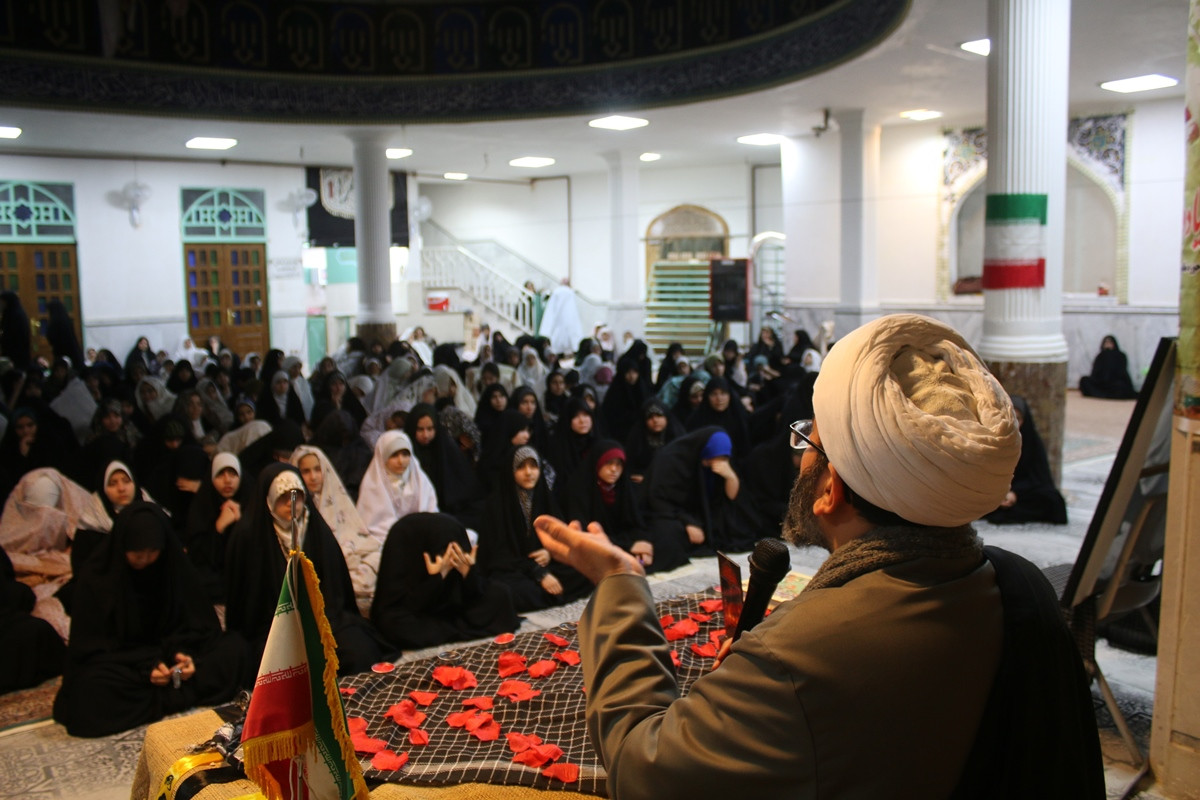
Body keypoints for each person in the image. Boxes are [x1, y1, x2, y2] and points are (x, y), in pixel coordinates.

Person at [533, 313, 1104, 798]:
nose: (799, 453)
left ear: (831, 489)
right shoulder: (1016, 580)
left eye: (810, 439)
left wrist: (619, 580)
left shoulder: (801, 657)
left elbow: (644, 769)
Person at [53, 501, 248, 737]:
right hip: (128, 666)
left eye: (152, 552)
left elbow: (200, 627)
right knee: (89, 690)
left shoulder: (172, 568)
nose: (145, 559)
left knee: (235, 648)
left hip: (174, 662)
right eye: (137, 554)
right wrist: (146, 668)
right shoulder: (98, 579)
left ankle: (167, 691)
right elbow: (90, 649)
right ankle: (175, 692)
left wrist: (185, 656)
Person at [224, 463, 390, 675]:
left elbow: (334, 588)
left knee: (358, 651)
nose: (291, 504)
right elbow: (244, 602)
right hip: (272, 627)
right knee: (280, 671)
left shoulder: (315, 529)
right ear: (268, 499)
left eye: (297, 496)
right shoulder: (248, 535)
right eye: (283, 497)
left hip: (321, 618)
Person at [370, 512, 517, 651]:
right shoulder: (406, 541)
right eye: (443, 550)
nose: (449, 555)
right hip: (419, 614)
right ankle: (462, 627)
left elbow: (474, 593)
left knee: (501, 594)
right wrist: (437, 577)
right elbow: (408, 606)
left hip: (450, 612)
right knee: (394, 625)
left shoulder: (455, 547)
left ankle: (449, 628)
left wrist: (467, 573)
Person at [479, 446, 589, 611]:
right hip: (513, 569)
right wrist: (539, 573)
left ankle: (546, 594)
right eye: (521, 467)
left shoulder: (545, 497)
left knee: (584, 571)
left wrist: (550, 552)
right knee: (506, 591)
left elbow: (562, 538)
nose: (528, 473)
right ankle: (548, 594)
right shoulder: (496, 504)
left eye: (533, 466)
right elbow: (498, 556)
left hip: (546, 564)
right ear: (511, 471)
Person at [290, 444, 376, 615]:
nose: (313, 477)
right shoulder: (292, 506)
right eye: (306, 471)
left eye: (318, 469)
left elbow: (355, 533)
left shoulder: (335, 497)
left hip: (347, 556)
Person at [985, 395, 1068, 525]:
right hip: (994, 492)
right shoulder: (992, 439)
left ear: (1024, 420)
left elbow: (1039, 478)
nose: (1014, 423)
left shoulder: (1032, 442)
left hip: (1021, 492)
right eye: (1011, 418)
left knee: (1052, 500)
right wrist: (1000, 494)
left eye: (1018, 419)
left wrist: (1015, 493)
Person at [183, 453, 247, 602]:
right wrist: (218, 527)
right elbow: (197, 557)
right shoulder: (201, 507)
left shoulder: (251, 503)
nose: (227, 480)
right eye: (220, 474)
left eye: (233, 474)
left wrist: (242, 523)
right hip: (213, 587)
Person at [1079, 334, 1138, 399]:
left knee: (1121, 386)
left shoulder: (1121, 355)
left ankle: (1104, 395)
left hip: (1114, 383)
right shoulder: (1100, 356)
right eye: (1106, 342)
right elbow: (1095, 371)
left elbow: (1122, 371)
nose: (1108, 344)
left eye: (1110, 342)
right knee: (1084, 380)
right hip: (1100, 383)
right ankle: (1102, 394)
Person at [538, 279, 584, 357]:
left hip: (557, 321)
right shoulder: (570, 292)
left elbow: (551, 310)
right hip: (568, 319)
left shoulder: (557, 292)